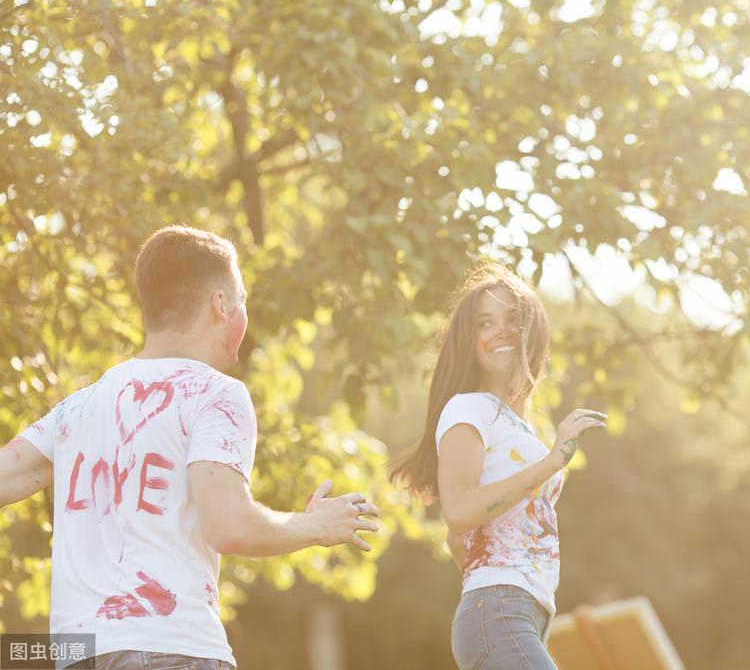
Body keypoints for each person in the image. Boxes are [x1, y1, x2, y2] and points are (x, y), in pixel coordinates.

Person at [0, 225, 380, 670]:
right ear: (221, 305)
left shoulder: (77, 408)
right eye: (241, 299)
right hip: (171, 647)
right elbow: (229, 526)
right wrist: (315, 526)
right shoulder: (215, 394)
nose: (243, 311)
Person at [390, 263, 607, 669]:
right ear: (470, 342)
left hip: (521, 611)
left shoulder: (514, 426)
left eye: (513, 320)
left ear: (535, 331)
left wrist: (483, 574)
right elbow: (456, 514)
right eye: (485, 324)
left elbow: (462, 544)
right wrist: (553, 461)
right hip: (500, 611)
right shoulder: (469, 409)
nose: (501, 330)